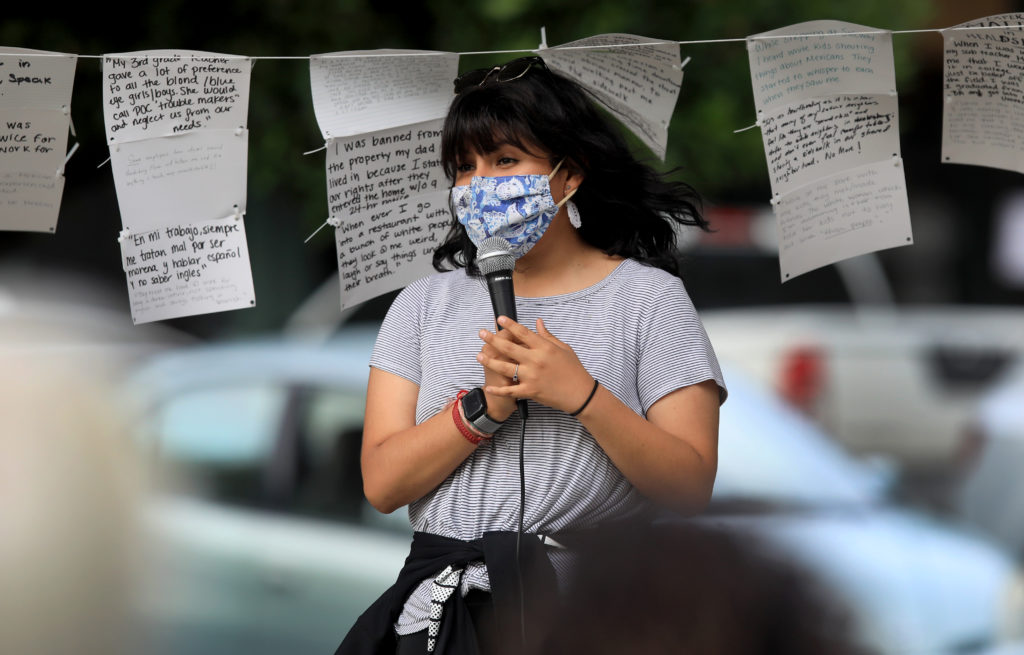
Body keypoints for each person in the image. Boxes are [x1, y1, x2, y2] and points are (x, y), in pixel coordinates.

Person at [337, 55, 726, 655]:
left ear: (569, 176)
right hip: (445, 616)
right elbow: (383, 484)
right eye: (464, 167)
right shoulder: (420, 305)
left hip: (594, 615)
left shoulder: (647, 298)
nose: (479, 184)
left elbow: (689, 484)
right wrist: (480, 410)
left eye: (505, 160)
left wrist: (583, 395)